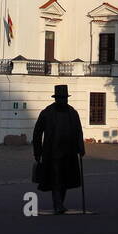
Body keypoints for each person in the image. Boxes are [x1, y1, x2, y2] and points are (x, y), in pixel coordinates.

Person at [33, 85, 85, 214]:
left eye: (65, 98)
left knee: (66, 179)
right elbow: (37, 132)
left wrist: (81, 147)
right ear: (56, 98)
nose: (63, 100)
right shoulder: (47, 112)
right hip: (52, 152)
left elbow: (79, 131)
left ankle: (60, 203)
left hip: (69, 151)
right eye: (61, 98)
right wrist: (38, 151)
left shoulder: (72, 112)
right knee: (55, 179)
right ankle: (57, 204)